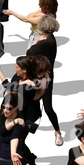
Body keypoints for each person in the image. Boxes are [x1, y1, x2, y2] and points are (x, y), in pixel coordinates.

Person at [26, 15, 62, 145]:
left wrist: (35, 43)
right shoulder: (51, 38)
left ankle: (57, 131)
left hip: (44, 78)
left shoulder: (45, 42)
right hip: (39, 75)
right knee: (32, 102)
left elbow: (29, 53)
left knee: (48, 107)